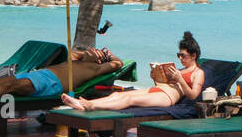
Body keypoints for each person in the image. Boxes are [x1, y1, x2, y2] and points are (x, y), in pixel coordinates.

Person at [59, 32, 204, 112]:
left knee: (129, 100)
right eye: (178, 55)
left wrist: (179, 79)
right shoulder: (179, 70)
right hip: (156, 89)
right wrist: (156, 76)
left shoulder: (198, 73)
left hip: (167, 98)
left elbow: (192, 95)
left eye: (183, 56)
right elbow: (165, 84)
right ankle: (82, 104)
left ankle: (90, 105)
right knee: (117, 94)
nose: (180, 58)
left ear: (193, 56)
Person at [0, 48, 123, 102]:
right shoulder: (77, 60)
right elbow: (72, 51)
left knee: (10, 86)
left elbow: (118, 64)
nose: (92, 49)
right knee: (5, 81)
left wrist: (107, 55)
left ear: (99, 60)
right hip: (42, 75)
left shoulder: (94, 69)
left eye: (95, 51)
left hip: (51, 84)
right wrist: (87, 54)